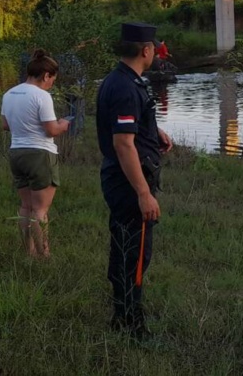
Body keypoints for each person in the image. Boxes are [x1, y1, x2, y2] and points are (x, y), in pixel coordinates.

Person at [96, 22, 174, 338]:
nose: (155, 51)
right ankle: (132, 327)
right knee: (135, 255)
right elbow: (122, 144)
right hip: (129, 184)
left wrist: (153, 133)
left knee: (126, 249)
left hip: (123, 179)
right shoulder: (126, 87)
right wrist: (144, 193)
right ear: (145, 50)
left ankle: (122, 315)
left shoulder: (124, 80)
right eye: (153, 47)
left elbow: (128, 128)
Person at [1, 49, 71, 259]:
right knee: (40, 210)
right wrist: (63, 125)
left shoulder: (9, 93)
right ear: (46, 75)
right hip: (40, 155)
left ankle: (28, 252)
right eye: (52, 79)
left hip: (16, 153)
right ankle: (44, 255)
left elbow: (5, 125)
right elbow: (51, 130)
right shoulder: (42, 96)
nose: (52, 84)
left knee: (25, 206)